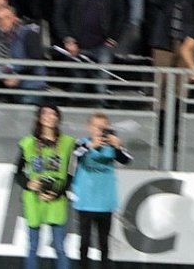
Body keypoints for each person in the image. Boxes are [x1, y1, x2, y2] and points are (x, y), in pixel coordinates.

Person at [14, 104, 75, 269]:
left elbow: (71, 174)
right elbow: (17, 172)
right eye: (45, 113)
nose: (49, 116)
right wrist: (28, 183)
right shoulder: (28, 143)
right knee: (33, 246)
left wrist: (58, 192)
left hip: (57, 197)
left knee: (60, 247)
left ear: (58, 118)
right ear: (39, 118)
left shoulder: (69, 143)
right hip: (34, 198)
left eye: (53, 113)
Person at [72, 113, 132, 269]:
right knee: (84, 242)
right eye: (97, 127)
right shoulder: (82, 143)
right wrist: (91, 145)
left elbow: (127, 160)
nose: (100, 130)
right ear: (89, 127)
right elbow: (75, 154)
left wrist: (118, 146)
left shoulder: (112, 146)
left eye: (103, 127)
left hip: (105, 202)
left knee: (104, 243)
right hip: (85, 201)